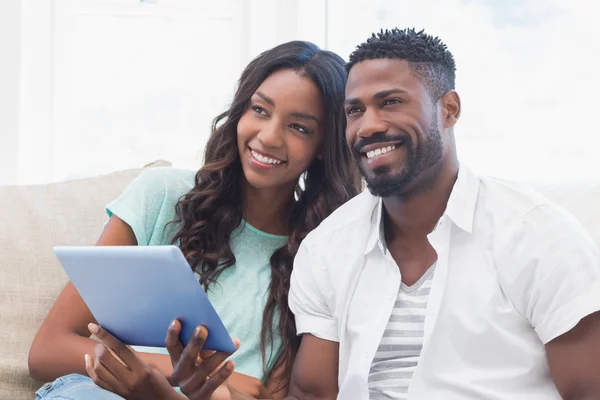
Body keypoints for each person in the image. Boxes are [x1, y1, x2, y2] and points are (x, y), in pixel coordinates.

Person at [184, 27, 600, 399]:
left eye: (391, 102)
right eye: (354, 111)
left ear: (449, 109)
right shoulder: (327, 249)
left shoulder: (538, 236)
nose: (368, 127)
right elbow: (312, 395)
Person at [28, 40, 362, 400]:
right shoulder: (163, 196)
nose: (268, 136)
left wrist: (180, 393)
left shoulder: (319, 257)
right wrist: (173, 372)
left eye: (299, 127)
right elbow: (47, 350)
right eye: (260, 110)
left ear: (324, 148)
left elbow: (270, 394)